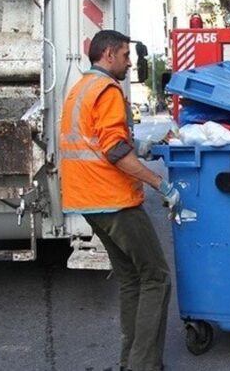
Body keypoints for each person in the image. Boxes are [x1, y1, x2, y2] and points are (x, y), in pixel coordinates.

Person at [59, 30, 180, 370]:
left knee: (131, 279)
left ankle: (130, 362)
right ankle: (144, 365)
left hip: (88, 201)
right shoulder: (108, 90)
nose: (130, 63)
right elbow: (113, 151)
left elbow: (98, 141)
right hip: (114, 201)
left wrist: (141, 147)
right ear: (109, 54)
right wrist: (160, 184)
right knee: (156, 278)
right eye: (126, 55)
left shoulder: (81, 88)